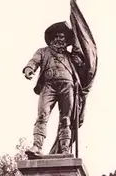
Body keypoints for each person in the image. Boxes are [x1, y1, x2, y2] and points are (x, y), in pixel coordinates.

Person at [23, 21, 85, 156]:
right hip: (48, 86)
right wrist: (29, 69)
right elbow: (34, 61)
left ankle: (64, 149)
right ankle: (37, 146)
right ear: (52, 39)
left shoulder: (70, 56)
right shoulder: (43, 52)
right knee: (42, 115)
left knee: (66, 118)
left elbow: (81, 64)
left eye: (63, 37)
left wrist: (77, 46)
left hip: (67, 86)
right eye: (57, 36)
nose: (60, 39)